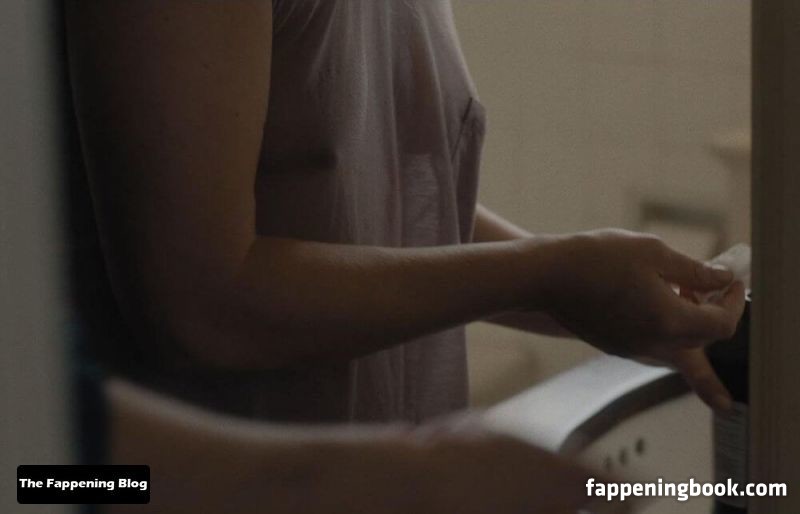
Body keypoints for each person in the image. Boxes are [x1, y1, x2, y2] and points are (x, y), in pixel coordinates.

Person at [64, 0, 744, 427]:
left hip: (365, 469)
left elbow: (372, 195)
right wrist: (548, 275)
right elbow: (199, 306)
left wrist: (582, 291)